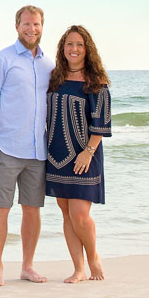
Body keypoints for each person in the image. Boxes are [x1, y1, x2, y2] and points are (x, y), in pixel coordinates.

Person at [0, 5, 53, 286]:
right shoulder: (2, 60)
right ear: (16, 26)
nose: (31, 29)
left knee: (32, 209)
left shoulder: (49, 64)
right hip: (6, 148)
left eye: (36, 24)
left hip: (37, 151)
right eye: (26, 24)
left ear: (42, 27)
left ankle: (27, 266)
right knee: (0, 208)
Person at [46, 25, 112, 283]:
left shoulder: (96, 81)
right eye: (69, 44)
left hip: (86, 154)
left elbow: (102, 122)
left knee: (80, 214)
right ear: (63, 49)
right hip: (56, 155)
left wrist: (88, 152)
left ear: (87, 50)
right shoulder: (54, 78)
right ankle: (78, 269)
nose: (74, 49)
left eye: (79, 45)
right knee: (65, 213)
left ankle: (94, 258)